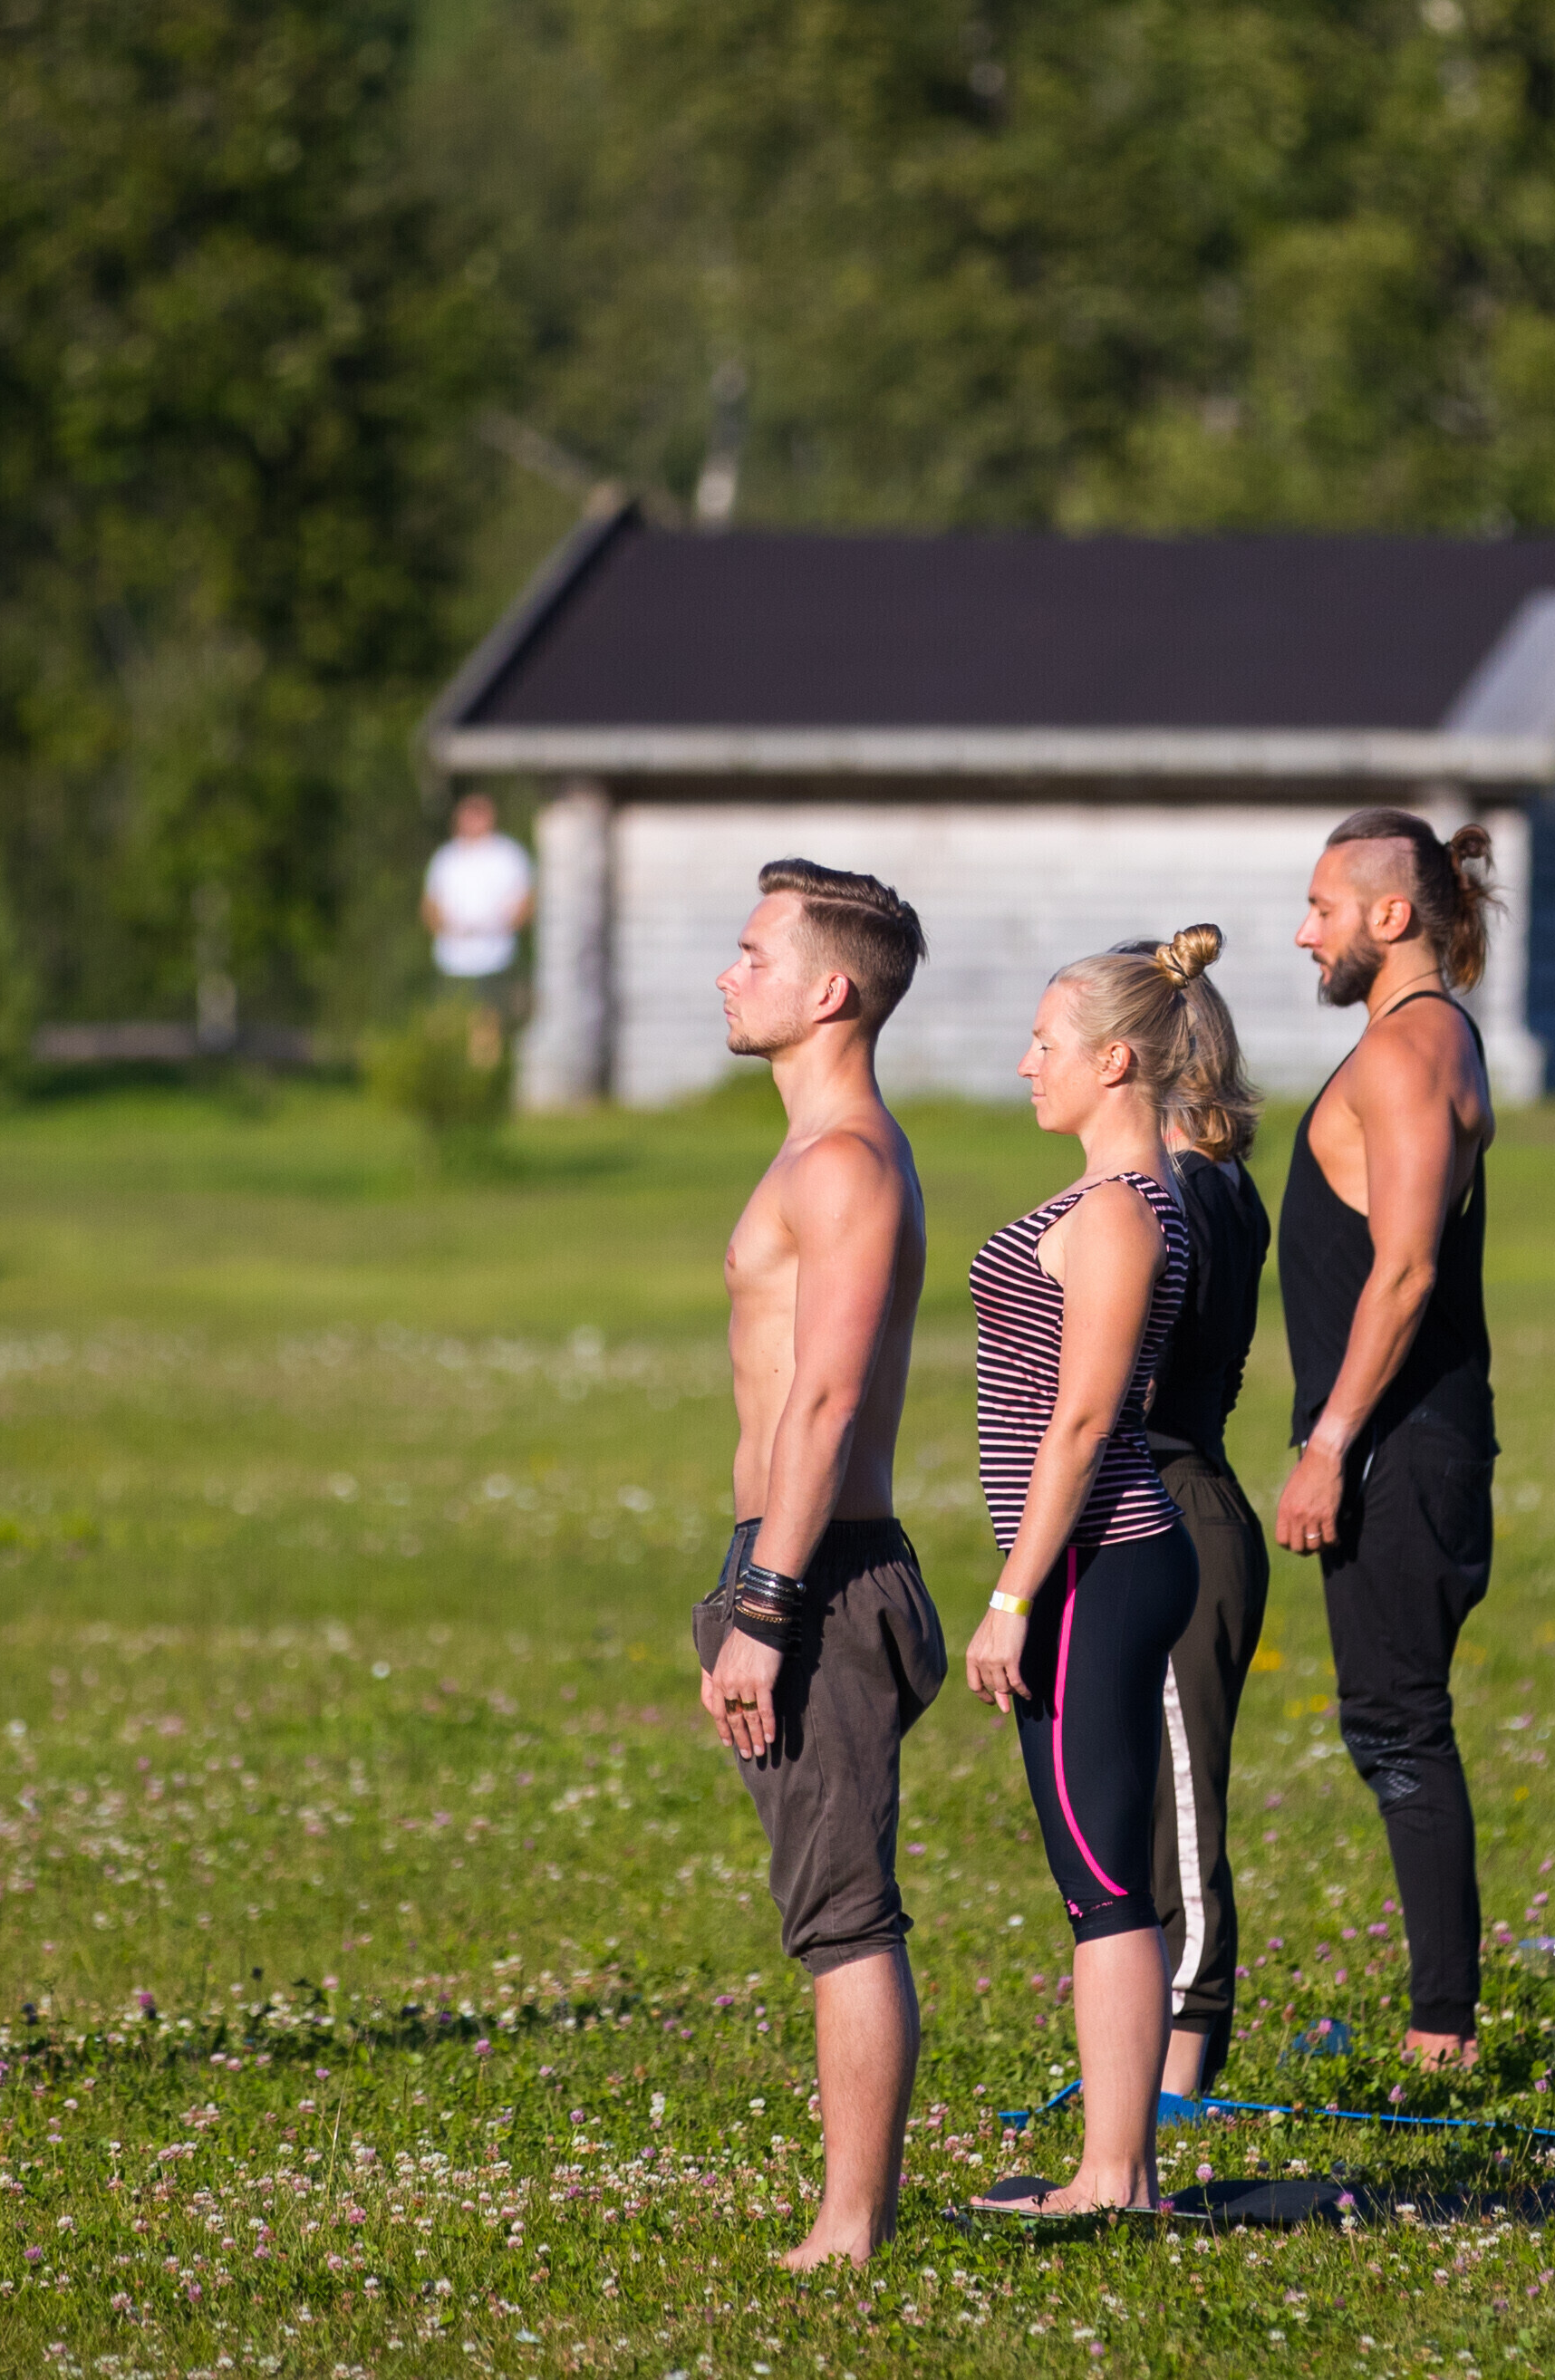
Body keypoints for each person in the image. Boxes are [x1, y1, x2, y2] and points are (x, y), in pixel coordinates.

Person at [697, 856, 937, 2269]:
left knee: (845, 1911)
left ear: (830, 989)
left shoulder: (843, 1160)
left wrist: (768, 1606)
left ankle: (850, 2230)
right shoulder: (815, 1149)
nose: (729, 975)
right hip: (792, 1561)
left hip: (821, 1575)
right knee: (824, 1903)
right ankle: (847, 2214)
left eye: (754, 953)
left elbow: (829, 1398)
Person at [961, 927, 1219, 2216]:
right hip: (1088, 1563)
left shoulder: (1120, 1211)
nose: (1026, 1064)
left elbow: (1080, 1420)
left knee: (1104, 1878)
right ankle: (1117, 2168)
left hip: (1096, 1564)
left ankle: (1113, 2176)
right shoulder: (1115, 1197)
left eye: (1045, 1043)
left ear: (1114, 1059)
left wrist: (1013, 1596)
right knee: (1095, 1872)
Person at [1270, 809, 1502, 2073]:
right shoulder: (1422, 1037)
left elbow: (1404, 1268)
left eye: (1322, 908)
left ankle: (1441, 2033)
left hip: (1399, 1444)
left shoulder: (1409, 1050)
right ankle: (1439, 2018)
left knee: (1399, 1721)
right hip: (1407, 1440)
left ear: (1390, 915)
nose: (1305, 933)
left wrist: (1328, 1443)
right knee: (1390, 1717)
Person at [1119, 945, 1270, 2101]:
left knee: (1181, 1815)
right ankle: (1144, 2070)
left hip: (1180, 1508)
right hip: (1167, 1506)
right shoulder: (1199, 1183)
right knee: (1136, 1805)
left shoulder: (1181, 1194)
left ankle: (1180, 2078)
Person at [420, 792, 535, 1065]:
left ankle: (484, 1075)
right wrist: (446, 929)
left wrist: (502, 927)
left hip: (494, 956)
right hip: (452, 957)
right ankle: (450, 1070)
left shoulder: (508, 855)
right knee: (449, 1021)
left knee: (488, 1024)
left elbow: (527, 901)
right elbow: (430, 905)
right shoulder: (446, 857)